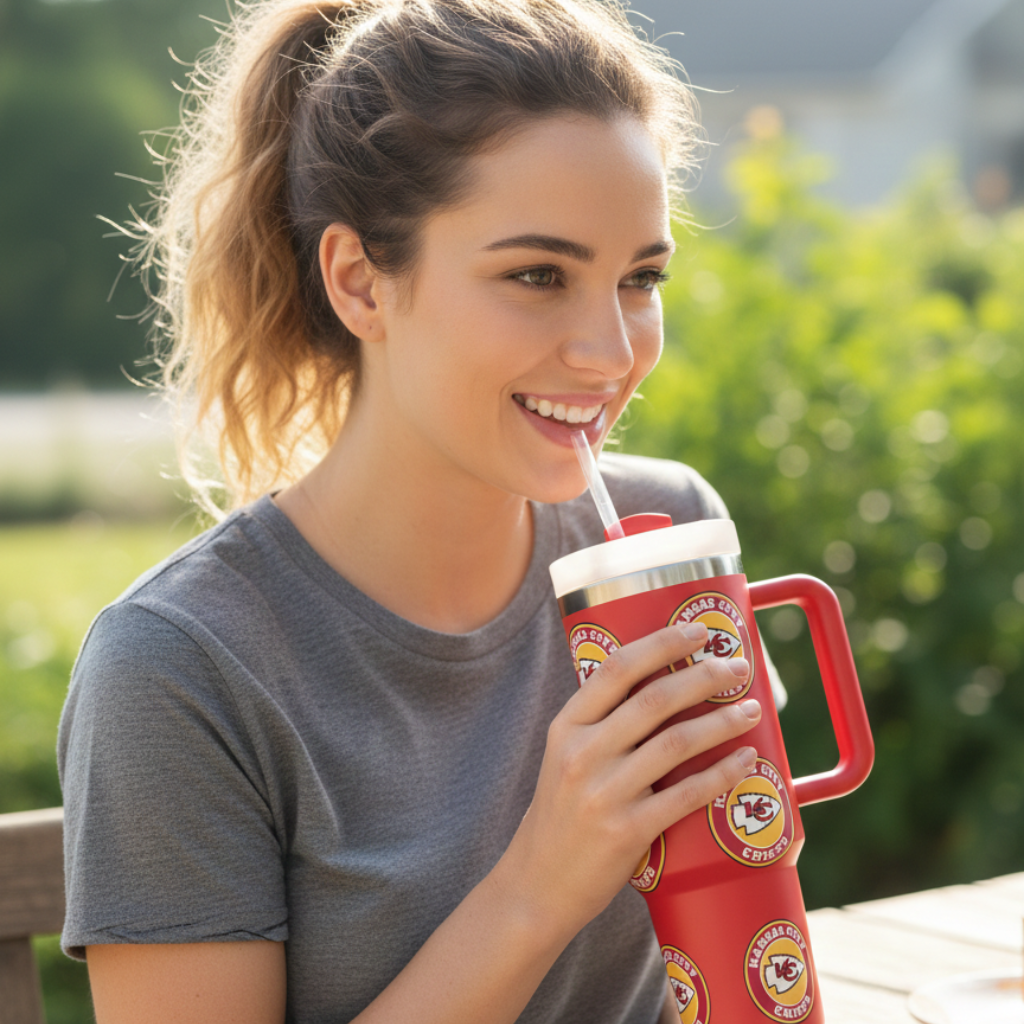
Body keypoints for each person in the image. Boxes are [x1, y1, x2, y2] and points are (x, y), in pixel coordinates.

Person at [56, 1, 774, 1021]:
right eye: (537, 274)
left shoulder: (659, 540)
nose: (613, 353)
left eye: (639, 278)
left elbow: (742, 941)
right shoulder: (180, 667)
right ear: (359, 283)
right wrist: (541, 884)